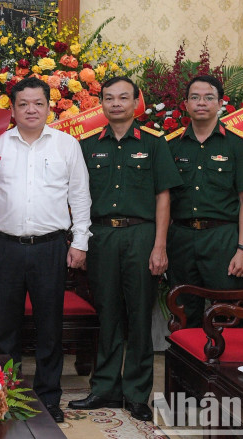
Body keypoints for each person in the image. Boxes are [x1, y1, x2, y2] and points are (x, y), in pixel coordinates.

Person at [0, 76, 92, 423]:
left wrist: (80, 242)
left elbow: (80, 197)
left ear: (49, 107)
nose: (31, 110)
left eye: (38, 103)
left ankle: (49, 398)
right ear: (12, 108)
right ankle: (3, 396)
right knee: (5, 328)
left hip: (50, 248)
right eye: (23, 104)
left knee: (49, 328)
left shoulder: (67, 145)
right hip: (5, 248)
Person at [70, 76, 181, 421]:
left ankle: (136, 394)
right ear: (101, 104)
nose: (116, 103)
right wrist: (80, 242)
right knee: (107, 314)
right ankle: (104, 388)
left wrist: (159, 246)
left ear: (136, 103)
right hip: (101, 236)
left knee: (139, 315)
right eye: (109, 98)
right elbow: (76, 197)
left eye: (123, 97)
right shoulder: (87, 146)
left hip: (141, 236)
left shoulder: (154, 144)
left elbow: (164, 197)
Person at [167, 74, 243, 327]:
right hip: (181, 239)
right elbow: (163, 199)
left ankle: (224, 355)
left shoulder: (238, 144)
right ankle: (185, 355)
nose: (201, 103)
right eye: (195, 97)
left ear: (220, 103)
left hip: (222, 240)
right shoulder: (172, 146)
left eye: (209, 97)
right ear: (185, 104)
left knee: (228, 313)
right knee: (184, 313)